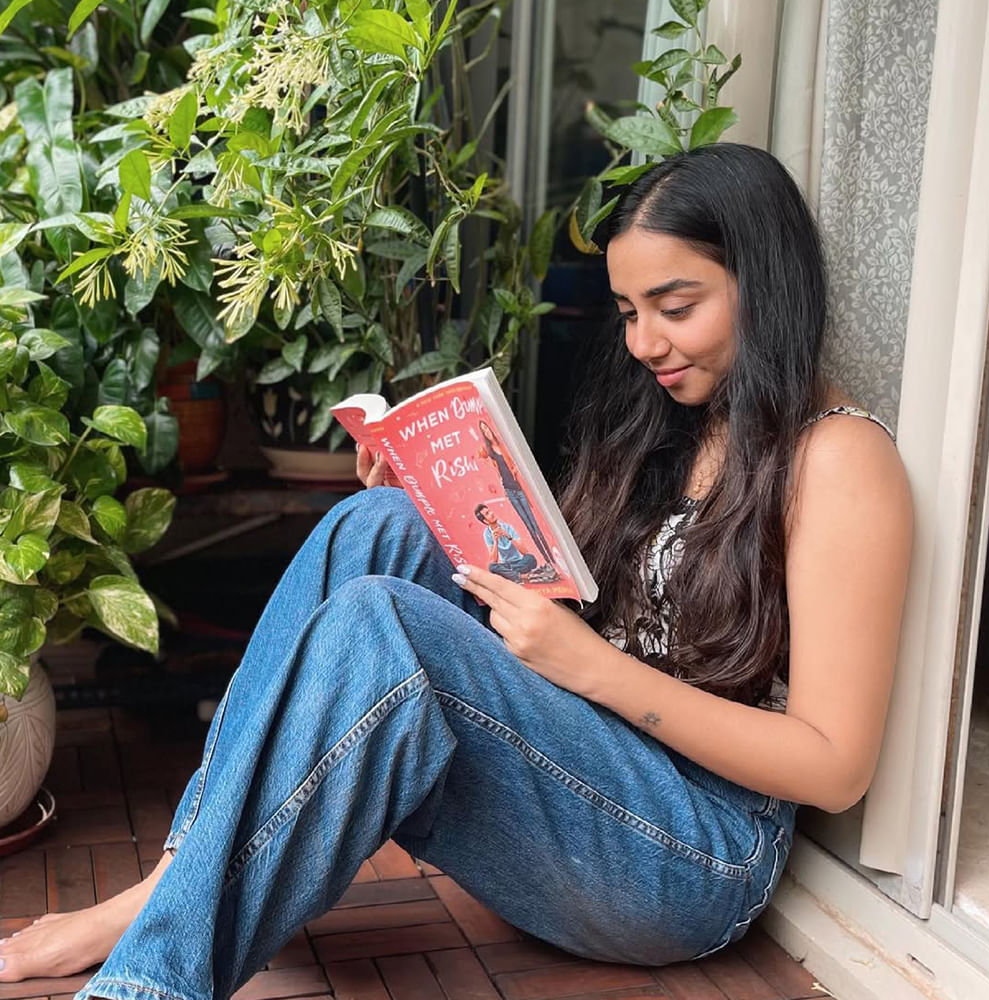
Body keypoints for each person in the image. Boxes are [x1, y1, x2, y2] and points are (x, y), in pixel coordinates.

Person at [0, 143, 912, 998]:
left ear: (769, 284)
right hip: (592, 760)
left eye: (676, 308)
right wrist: (438, 488)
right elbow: (576, 596)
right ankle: (170, 887)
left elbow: (833, 768)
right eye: (631, 314)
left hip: (694, 851)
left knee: (382, 623)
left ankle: (150, 974)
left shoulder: (838, 460)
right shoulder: (683, 419)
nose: (644, 345)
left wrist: (594, 669)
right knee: (380, 525)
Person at [477, 419, 556, 567]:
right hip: (509, 490)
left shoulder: (505, 444)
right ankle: (548, 560)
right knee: (528, 525)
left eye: (487, 428)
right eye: (483, 431)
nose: (487, 432)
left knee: (535, 525)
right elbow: (480, 455)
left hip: (520, 489)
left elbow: (516, 463)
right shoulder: (490, 452)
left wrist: (516, 470)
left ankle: (552, 557)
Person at [474, 502, 538, 581]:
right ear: (485, 521)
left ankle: (510, 575)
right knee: (492, 567)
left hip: (519, 562)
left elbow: (525, 552)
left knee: (531, 558)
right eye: (487, 513)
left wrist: (509, 536)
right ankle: (520, 576)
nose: (492, 513)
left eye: (490, 511)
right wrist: (495, 541)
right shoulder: (487, 534)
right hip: (506, 565)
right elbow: (494, 560)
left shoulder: (507, 527)